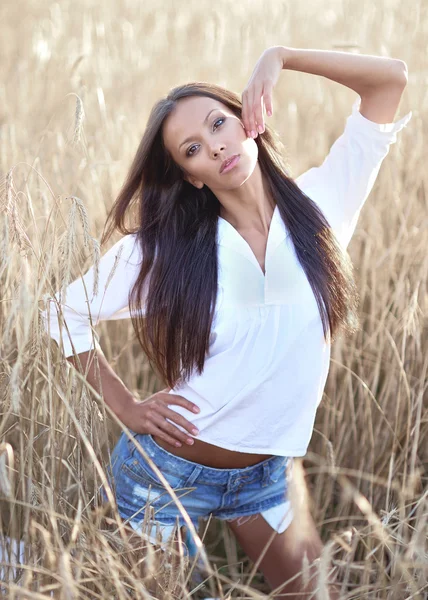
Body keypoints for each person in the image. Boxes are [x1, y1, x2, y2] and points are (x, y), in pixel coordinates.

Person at [41, 45, 411, 598]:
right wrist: (128, 407)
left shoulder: (322, 205)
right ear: (189, 176)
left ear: (248, 118)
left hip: (270, 475)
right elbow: (63, 313)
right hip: (165, 475)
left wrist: (280, 58)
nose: (215, 145)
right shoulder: (166, 252)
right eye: (193, 148)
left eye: (219, 122)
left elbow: (390, 82)